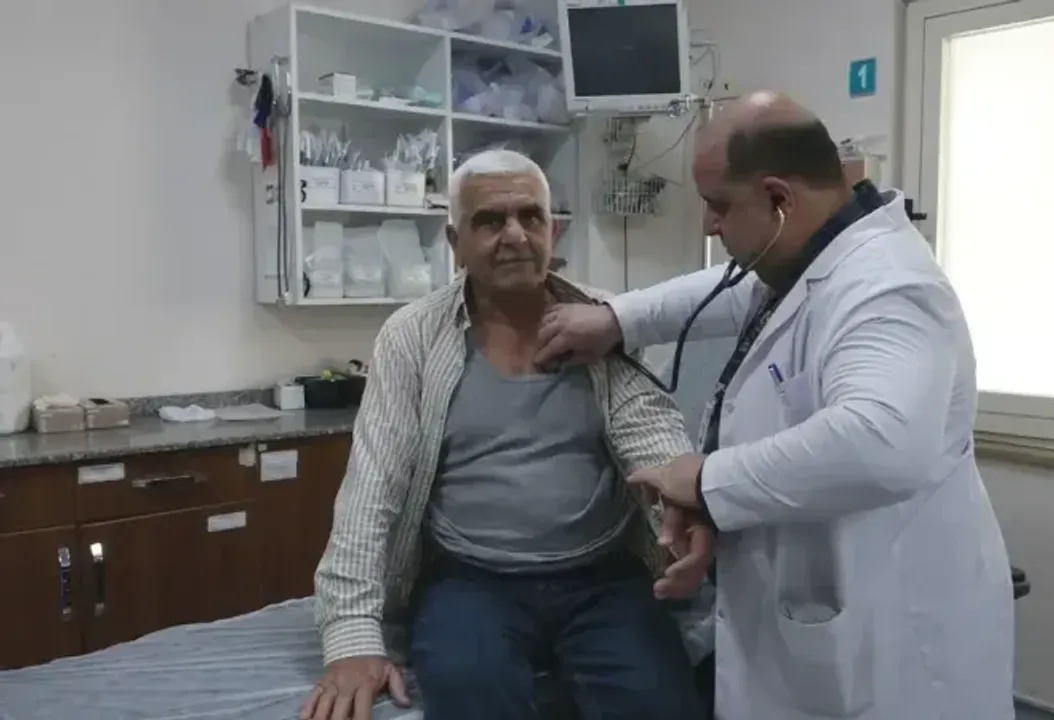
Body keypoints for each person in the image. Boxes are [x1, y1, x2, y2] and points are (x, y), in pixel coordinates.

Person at [536, 91, 1016, 719]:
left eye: (718, 205)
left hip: (888, 639)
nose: (708, 226)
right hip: (816, 609)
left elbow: (881, 444)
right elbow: (725, 291)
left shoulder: (889, 288)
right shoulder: (806, 262)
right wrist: (616, 319)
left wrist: (704, 480)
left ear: (778, 199)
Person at [301, 149, 709, 720]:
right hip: (472, 582)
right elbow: (372, 489)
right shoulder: (413, 337)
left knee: (660, 704)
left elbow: (651, 433)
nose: (514, 235)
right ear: (455, 242)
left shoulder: (602, 320)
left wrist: (683, 510)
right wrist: (351, 635)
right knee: (471, 695)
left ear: (552, 229)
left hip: (601, 579)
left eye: (530, 216)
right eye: (491, 220)